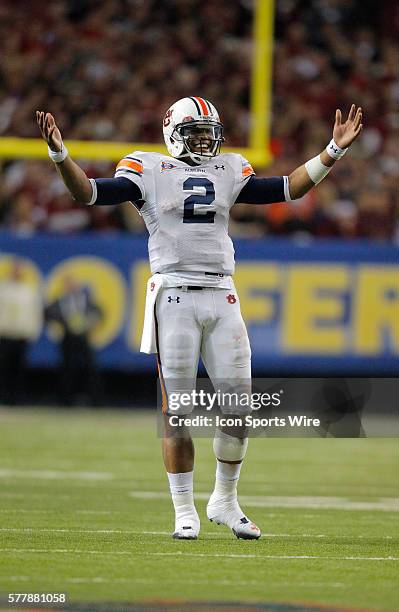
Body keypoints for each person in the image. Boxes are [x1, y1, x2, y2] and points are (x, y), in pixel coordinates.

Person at [36, 97, 363, 540]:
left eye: (210, 132)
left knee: (239, 409)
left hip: (223, 295)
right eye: (196, 132)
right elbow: (90, 193)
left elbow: (287, 188)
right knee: (177, 412)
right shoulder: (147, 168)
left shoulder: (229, 169)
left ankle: (225, 501)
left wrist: (333, 151)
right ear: (173, 132)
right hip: (174, 297)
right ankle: (183, 509)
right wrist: (60, 155)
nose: (206, 140)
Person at [44, 274, 103, 406]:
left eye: (73, 283)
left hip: (84, 338)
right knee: (67, 369)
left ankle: (94, 400)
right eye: (68, 284)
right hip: (68, 338)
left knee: (90, 369)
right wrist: (63, 322)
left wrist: (89, 322)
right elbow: (49, 313)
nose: (71, 286)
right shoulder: (60, 300)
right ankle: (65, 400)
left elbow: (99, 313)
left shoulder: (86, 299)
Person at [0, 258, 43, 405]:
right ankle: (3, 397)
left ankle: (18, 398)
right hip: (4, 334)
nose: (16, 273)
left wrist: (33, 333)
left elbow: (36, 313)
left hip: (22, 334)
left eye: (19, 270)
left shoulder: (29, 291)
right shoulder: (2, 289)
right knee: (3, 368)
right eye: (14, 269)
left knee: (20, 368)